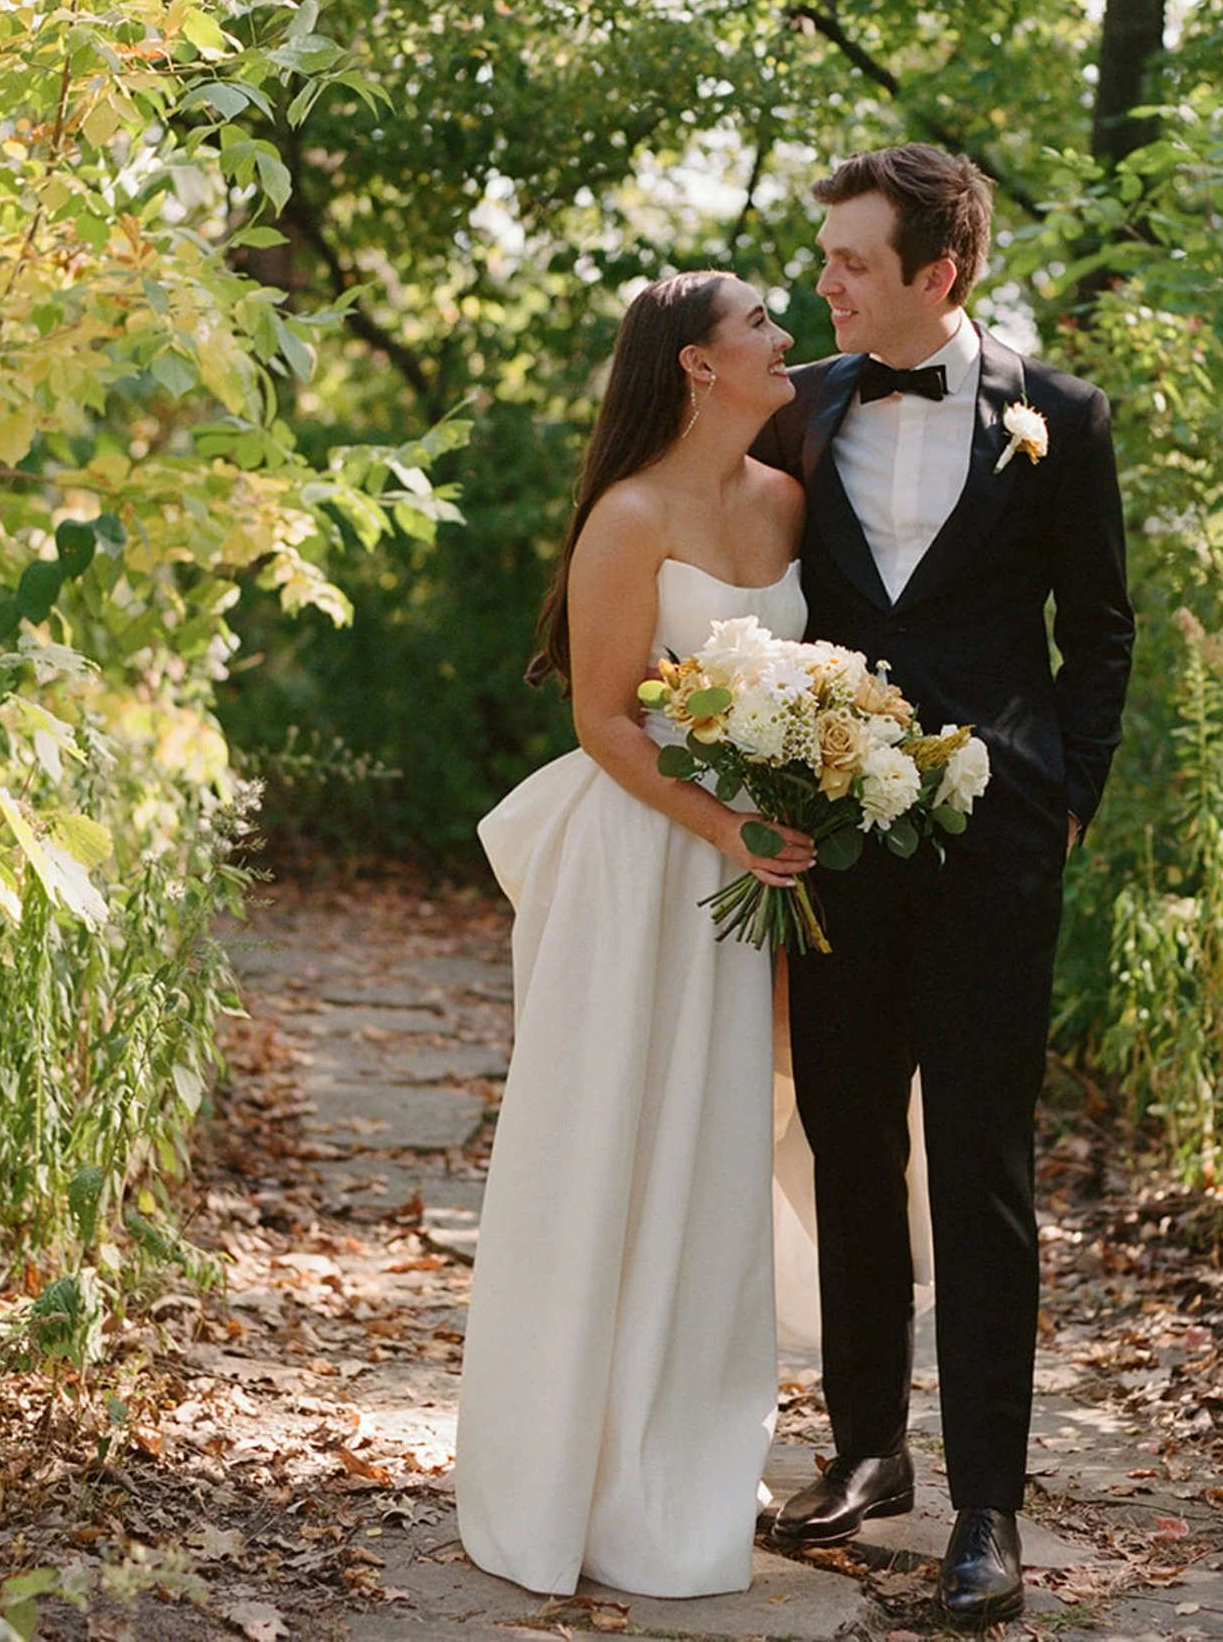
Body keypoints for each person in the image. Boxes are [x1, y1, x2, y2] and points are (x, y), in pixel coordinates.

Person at [754, 144, 1135, 1622]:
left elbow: (1100, 628)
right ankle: (865, 1451)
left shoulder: (1065, 420)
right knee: (847, 1131)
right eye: (829, 256)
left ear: (940, 272)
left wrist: (1070, 803)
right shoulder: (800, 409)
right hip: (842, 843)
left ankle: (989, 1504)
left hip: (999, 841)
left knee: (978, 1164)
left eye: (852, 260)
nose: (827, 283)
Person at [457, 271, 816, 1598]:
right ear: (697, 366)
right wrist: (720, 824)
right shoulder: (627, 518)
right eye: (762, 326)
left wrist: (812, 786)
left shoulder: (791, 499)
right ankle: (554, 1475)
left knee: (716, 1151)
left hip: (751, 866)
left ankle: (684, 1480)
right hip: (646, 853)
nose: (789, 340)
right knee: (605, 1137)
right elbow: (605, 717)